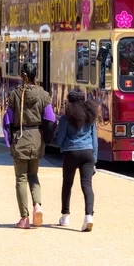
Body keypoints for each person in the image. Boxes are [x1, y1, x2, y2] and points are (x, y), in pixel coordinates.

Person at [3, 62, 56, 229]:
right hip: (37, 138)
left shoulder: (15, 94)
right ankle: (37, 205)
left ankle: (24, 218)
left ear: (22, 75)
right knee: (34, 175)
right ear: (36, 76)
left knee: (21, 178)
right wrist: (46, 138)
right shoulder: (44, 94)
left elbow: (8, 120)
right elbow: (51, 118)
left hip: (21, 137)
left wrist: (9, 140)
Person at [55, 89, 98, 232]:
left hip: (71, 152)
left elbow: (60, 138)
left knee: (67, 184)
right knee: (87, 185)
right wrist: (95, 158)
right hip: (88, 153)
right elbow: (94, 140)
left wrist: (61, 146)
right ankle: (88, 216)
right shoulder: (90, 117)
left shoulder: (65, 118)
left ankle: (65, 216)